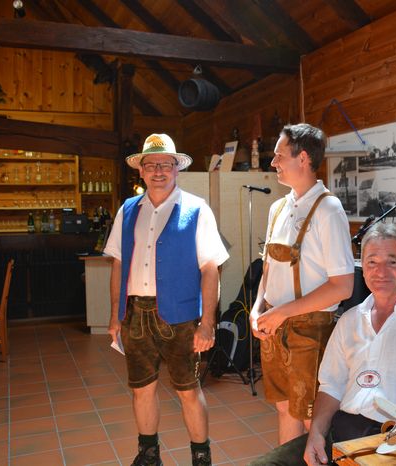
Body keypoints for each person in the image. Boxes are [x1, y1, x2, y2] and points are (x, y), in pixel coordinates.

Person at [250, 222, 396, 465]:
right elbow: (330, 387)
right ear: (362, 270)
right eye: (372, 262)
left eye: (392, 262)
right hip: (342, 432)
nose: (381, 272)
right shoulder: (349, 321)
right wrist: (316, 434)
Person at [103, 133, 229, 466]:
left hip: (181, 317)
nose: (158, 171)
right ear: (141, 170)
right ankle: (149, 455)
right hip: (135, 314)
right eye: (151, 165)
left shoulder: (197, 210)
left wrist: (207, 323)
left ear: (176, 169)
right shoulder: (128, 210)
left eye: (166, 164)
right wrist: (115, 315)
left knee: (188, 390)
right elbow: (118, 264)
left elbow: (210, 269)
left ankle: (201, 457)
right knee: (141, 388)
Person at [250, 123, 355, 445]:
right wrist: (257, 309)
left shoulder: (328, 209)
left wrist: (282, 312)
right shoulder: (277, 208)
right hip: (273, 324)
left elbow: (342, 286)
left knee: (311, 417)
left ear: (303, 158)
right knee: (284, 409)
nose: (273, 163)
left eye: (279, 156)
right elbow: (268, 270)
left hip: (310, 330)